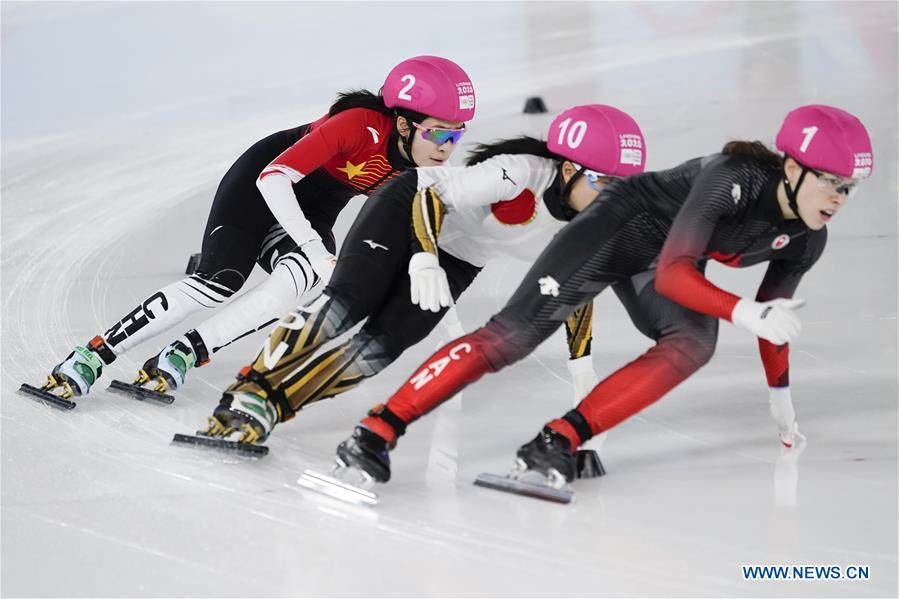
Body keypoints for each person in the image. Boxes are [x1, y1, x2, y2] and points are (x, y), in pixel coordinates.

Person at [331, 104, 873, 487]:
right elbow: (677, 276)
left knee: (692, 342)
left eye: (849, 189)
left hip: (655, 255)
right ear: (794, 168)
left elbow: (774, 322)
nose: (839, 199)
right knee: (512, 337)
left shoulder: (806, 239)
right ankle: (377, 428)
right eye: (831, 183)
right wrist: (745, 311)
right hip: (616, 226)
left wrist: (781, 401)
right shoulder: (733, 177)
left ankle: (558, 441)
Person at [199, 104, 647, 446]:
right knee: (346, 304)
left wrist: (582, 368)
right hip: (405, 213)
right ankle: (249, 386)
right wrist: (423, 258)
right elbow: (432, 194)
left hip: (458, 258)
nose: (614, 196)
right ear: (569, 170)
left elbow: (573, 286)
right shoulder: (519, 172)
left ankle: (274, 405)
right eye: (605, 182)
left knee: (381, 348)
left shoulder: (595, 223)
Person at [35, 56, 476, 400]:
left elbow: (414, 241)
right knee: (218, 282)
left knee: (301, 281)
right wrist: (310, 243)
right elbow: (274, 178)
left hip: (313, 210)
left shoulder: (414, 171)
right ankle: (92, 355)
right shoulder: (357, 124)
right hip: (260, 181)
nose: (447, 149)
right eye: (439, 134)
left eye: (457, 136)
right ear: (403, 122)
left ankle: (186, 351)